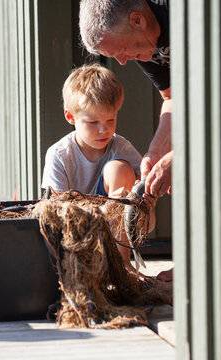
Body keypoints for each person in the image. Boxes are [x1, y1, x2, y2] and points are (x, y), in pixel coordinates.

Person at [79, 0, 173, 281]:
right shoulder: (141, 45)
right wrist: (156, 152)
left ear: (137, 20)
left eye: (121, 50)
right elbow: (174, 96)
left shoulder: (186, 16)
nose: (122, 61)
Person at [41, 63, 155, 277]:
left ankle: (122, 264)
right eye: (93, 122)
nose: (104, 129)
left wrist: (144, 198)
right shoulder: (59, 154)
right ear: (71, 117)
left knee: (119, 169)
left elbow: (143, 188)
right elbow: (55, 210)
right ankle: (91, 266)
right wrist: (99, 212)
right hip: (78, 232)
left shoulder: (120, 147)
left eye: (110, 120)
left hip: (118, 230)